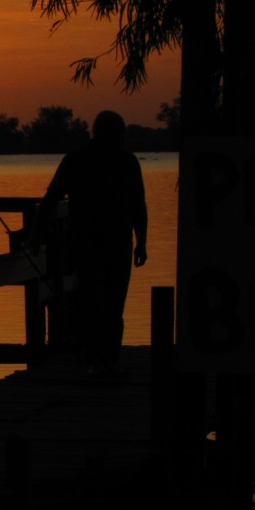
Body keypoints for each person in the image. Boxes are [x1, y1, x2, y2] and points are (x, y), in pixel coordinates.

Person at [33, 110, 147, 374]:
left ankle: (103, 357)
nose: (120, 138)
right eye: (118, 133)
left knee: (105, 302)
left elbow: (50, 201)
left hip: (101, 242)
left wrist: (141, 242)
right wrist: (141, 241)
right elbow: (51, 200)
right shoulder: (121, 161)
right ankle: (102, 357)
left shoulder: (79, 159)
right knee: (101, 301)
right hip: (96, 243)